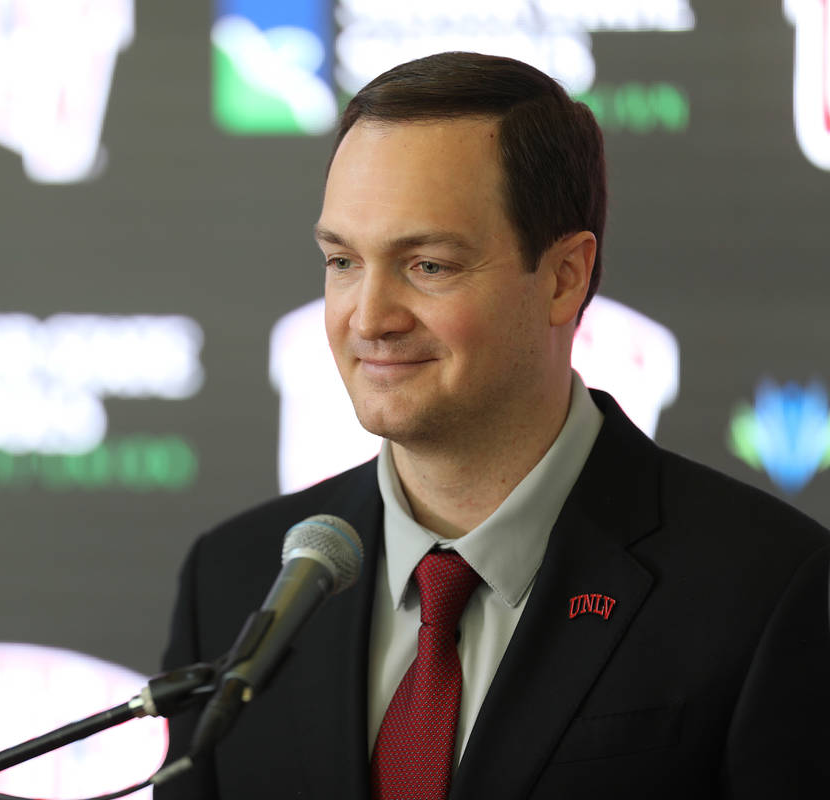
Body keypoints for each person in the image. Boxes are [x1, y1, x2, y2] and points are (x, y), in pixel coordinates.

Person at [157, 51, 830, 799]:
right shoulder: (233, 580)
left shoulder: (769, 590)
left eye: (428, 265)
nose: (369, 319)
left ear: (565, 277)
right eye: (343, 261)